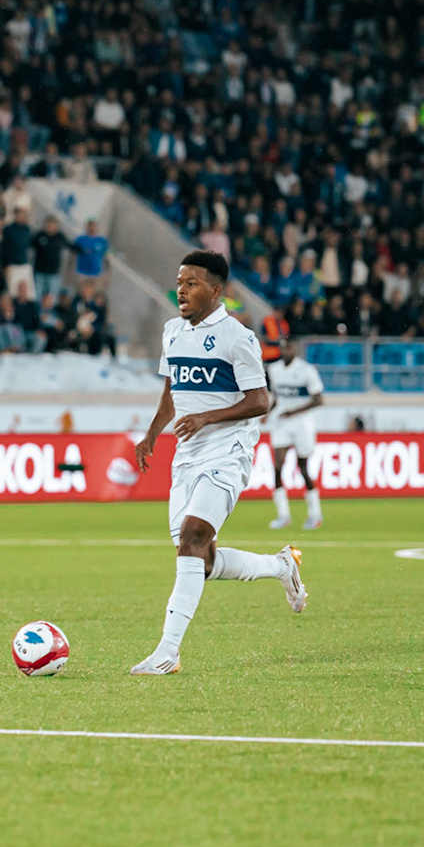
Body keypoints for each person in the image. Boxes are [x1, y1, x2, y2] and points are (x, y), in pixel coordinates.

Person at [130, 250, 306, 676]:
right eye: (179, 282)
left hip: (227, 453)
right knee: (199, 560)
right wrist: (153, 432)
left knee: (191, 538)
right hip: (185, 457)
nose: (181, 290)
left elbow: (260, 400)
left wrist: (207, 417)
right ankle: (281, 565)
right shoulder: (173, 332)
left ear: (215, 290)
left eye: (191, 283)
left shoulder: (237, 337)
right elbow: (173, 388)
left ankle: (168, 652)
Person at [265, 339, 326, 531]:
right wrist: (268, 413)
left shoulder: (307, 370)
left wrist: (294, 412)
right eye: (283, 347)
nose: (286, 350)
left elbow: (318, 400)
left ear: (296, 349)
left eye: (289, 346)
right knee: (277, 467)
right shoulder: (274, 370)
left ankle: (315, 514)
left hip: (302, 423)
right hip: (281, 421)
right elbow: (277, 396)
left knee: (303, 468)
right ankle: (283, 515)